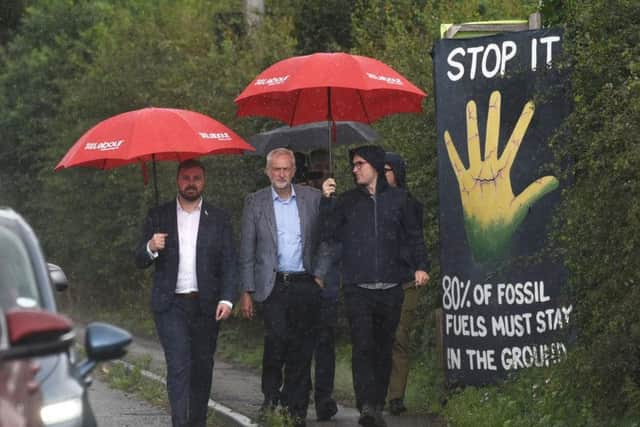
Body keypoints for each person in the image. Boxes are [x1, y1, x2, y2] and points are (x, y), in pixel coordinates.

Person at [316, 145, 429, 427]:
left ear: (375, 166)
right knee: (363, 346)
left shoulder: (400, 200)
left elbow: (415, 236)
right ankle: (366, 404)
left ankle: (376, 404)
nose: (354, 169)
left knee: (383, 347)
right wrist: (326, 201)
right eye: (353, 165)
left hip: (391, 286)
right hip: (358, 287)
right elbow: (328, 233)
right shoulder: (346, 201)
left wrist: (421, 266)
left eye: (359, 164)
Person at [135, 159, 237, 427]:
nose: (191, 183)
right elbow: (139, 259)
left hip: (207, 305)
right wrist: (151, 245)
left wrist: (227, 298)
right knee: (179, 366)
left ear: (204, 181)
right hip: (171, 306)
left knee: (202, 369)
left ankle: (197, 423)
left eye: (196, 178)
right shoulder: (159, 215)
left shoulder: (218, 218)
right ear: (177, 180)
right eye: (185, 178)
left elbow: (229, 262)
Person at [238, 148, 323, 427]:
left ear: (294, 170)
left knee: (301, 347)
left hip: (304, 282)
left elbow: (328, 240)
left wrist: (320, 274)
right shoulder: (255, 202)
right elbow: (247, 249)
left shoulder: (313, 198)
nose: (281, 174)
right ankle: (271, 397)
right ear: (267, 172)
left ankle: (296, 408)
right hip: (272, 285)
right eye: (276, 169)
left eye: (286, 169)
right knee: (277, 342)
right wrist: (246, 290)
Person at [383, 151, 429, 415]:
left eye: (387, 169)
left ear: (397, 172)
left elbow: (416, 238)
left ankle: (396, 396)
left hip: (406, 279)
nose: (383, 173)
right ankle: (377, 393)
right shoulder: (371, 203)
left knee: (400, 337)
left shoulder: (411, 204)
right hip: (380, 280)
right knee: (381, 338)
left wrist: (421, 266)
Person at [306, 149, 339, 421]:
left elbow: (333, 240)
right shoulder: (300, 199)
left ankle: (324, 397)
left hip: (327, 283)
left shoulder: (336, 201)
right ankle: (299, 390)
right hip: (301, 281)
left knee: (325, 342)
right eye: (317, 171)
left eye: (326, 170)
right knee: (300, 341)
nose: (321, 175)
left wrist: (328, 202)